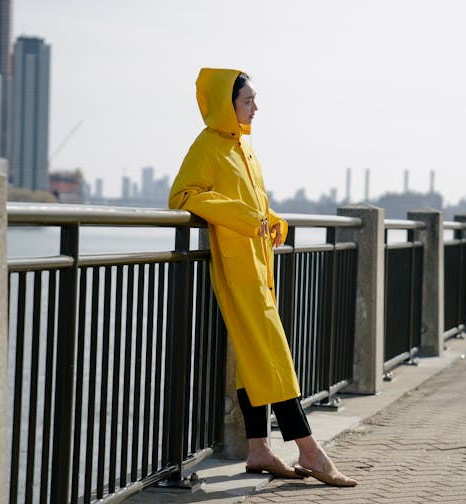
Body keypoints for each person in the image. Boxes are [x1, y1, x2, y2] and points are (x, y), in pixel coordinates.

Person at [168, 68, 357, 487]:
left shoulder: (243, 149)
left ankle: (259, 449)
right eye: (248, 100)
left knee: (254, 361)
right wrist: (243, 218)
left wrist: (270, 219)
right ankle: (311, 452)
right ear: (226, 104)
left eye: (254, 99)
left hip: (258, 265)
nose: (256, 108)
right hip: (237, 269)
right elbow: (184, 195)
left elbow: (249, 201)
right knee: (274, 356)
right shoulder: (208, 147)